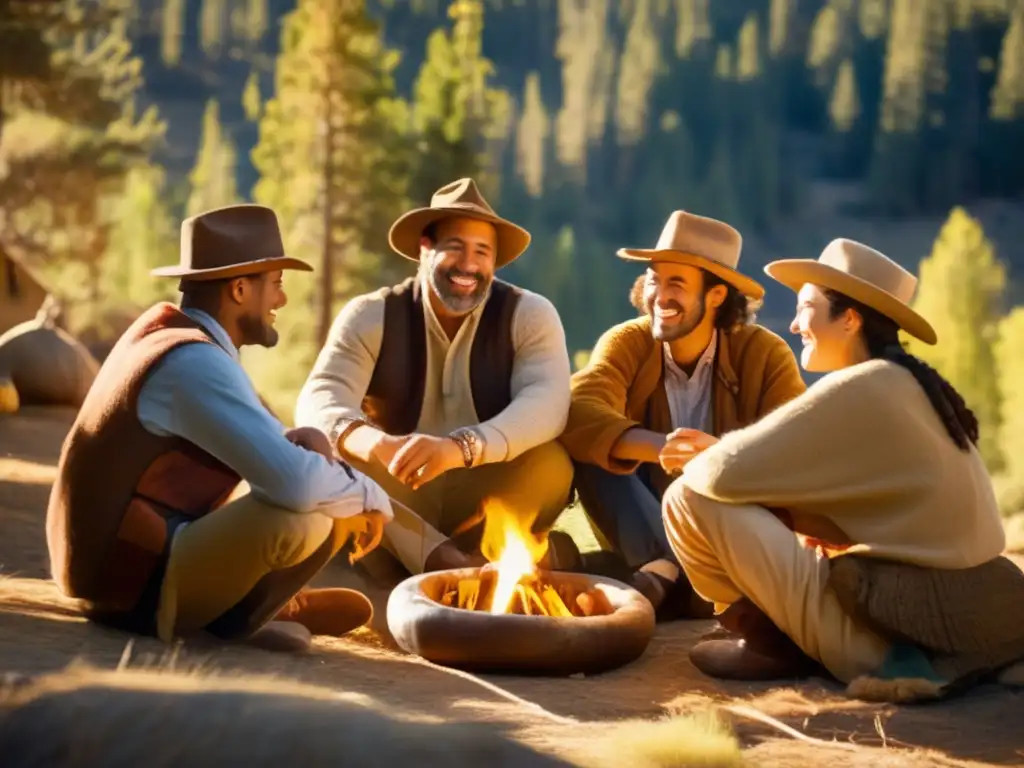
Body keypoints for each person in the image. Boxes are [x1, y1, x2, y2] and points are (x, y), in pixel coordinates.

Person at [664, 238, 1024, 694]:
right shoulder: (910, 384)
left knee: (687, 497)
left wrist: (703, 455)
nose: (794, 325)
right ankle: (782, 634)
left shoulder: (863, 385)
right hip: (956, 623)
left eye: (806, 308)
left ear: (850, 318)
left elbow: (718, 475)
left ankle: (770, 642)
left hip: (887, 641)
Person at [46, 204, 394, 655]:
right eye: (277, 286)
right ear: (240, 289)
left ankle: (250, 604)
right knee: (312, 514)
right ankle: (235, 619)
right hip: (124, 588)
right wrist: (371, 495)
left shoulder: (174, 336)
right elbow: (294, 484)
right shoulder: (194, 362)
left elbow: (258, 440)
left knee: (318, 487)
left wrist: (304, 441)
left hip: (105, 570)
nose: (281, 301)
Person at [294, 178, 574, 576]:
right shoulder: (371, 314)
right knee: (327, 458)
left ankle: (426, 563)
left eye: (483, 252)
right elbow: (320, 399)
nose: (469, 265)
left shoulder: (529, 314)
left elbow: (547, 403)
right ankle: (447, 561)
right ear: (424, 250)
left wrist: (463, 448)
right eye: (455, 248)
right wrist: (377, 445)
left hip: (484, 484)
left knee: (551, 463)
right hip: (397, 488)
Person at [559, 210, 805, 619]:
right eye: (655, 279)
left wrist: (723, 456)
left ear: (716, 296)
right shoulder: (627, 342)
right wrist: (658, 448)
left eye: (677, 283)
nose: (660, 295)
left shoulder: (765, 353)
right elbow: (580, 408)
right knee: (597, 448)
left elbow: (796, 446)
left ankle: (644, 576)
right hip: (639, 515)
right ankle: (671, 572)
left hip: (722, 530)